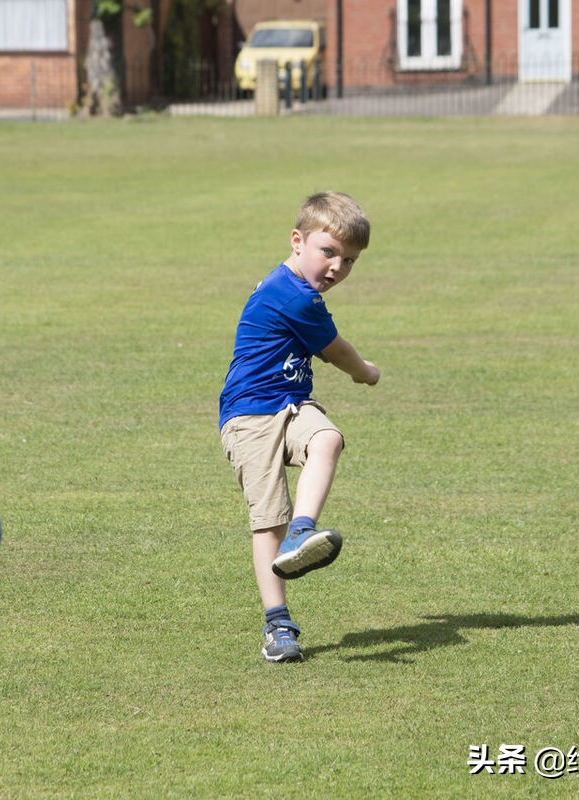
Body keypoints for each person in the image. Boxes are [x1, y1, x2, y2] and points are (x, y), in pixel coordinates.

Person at [218, 191, 380, 663]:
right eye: (328, 252)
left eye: (349, 260)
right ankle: (278, 625)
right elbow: (338, 352)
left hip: (291, 402)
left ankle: (302, 530)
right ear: (297, 241)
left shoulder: (294, 287)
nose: (337, 268)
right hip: (249, 415)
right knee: (267, 520)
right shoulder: (292, 295)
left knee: (327, 438)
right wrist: (365, 372)